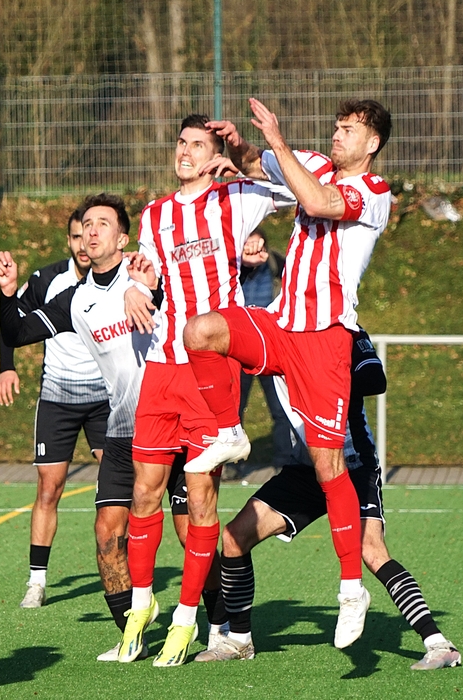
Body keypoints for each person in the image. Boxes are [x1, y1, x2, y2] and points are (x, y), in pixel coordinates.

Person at [182, 98, 393, 649]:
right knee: (201, 331)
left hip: (325, 340)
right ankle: (230, 431)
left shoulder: (374, 192)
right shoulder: (314, 164)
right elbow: (258, 165)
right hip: (281, 323)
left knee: (327, 464)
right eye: (336, 127)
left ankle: (351, 590)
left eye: (349, 130)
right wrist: (240, 147)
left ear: (372, 143)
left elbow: (320, 202)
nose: (337, 135)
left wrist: (277, 140)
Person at [121, 114, 294, 666]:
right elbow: (146, 274)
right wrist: (133, 288)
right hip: (160, 367)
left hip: (207, 371)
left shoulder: (235, 198)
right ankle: (141, 609)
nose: (186, 151)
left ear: (212, 153)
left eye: (197, 144)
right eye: (182, 142)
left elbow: (298, 191)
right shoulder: (155, 214)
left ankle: (186, 618)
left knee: (200, 499)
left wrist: (243, 158)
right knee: (144, 493)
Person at [0, 193, 195, 662]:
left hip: (173, 421)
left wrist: (148, 289)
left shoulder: (147, 274)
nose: (91, 230)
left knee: (190, 531)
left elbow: (184, 302)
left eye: (103, 223)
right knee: (107, 534)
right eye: (86, 223)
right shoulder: (76, 298)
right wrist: (8, 294)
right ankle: (131, 633)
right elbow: (17, 334)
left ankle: (226, 627)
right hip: (123, 429)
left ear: (123, 239)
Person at [199, 329, 462, 670]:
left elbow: (375, 379)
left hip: (352, 465)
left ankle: (438, 644)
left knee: (372, 550)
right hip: (305, 469)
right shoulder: (271, 330)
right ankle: (239, 640)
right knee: (235, 537)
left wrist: (317, 370)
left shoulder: (343, 329)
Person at [0, 208, 110, 608]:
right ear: (69, 241)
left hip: (105, 399)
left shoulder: (117, 282)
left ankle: (121, 568)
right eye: (77, 236)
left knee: (118, 484)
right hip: (58, 398)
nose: (84, 243)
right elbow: (12, 322)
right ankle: (37, 581)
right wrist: (6, 367)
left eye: (90, 234)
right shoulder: (47, 280)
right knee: (49, 487)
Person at [236, 229, 295, 469]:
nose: (253, 250)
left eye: (257, 245)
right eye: (247, 245)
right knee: (234, 410)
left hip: (271, 345)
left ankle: (284, 463)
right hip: (239, 347)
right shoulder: (233, 268)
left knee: (281, 408)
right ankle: (232, 464)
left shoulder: (277, 264)